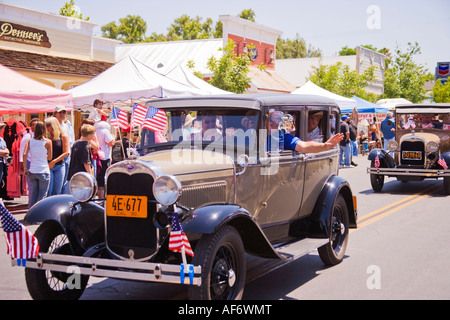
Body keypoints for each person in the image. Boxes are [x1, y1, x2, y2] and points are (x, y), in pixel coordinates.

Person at [267, 110, 343, 153]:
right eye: (271, 119)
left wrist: (325, 146)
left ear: (318, 119)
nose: (275, 122)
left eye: (278, 119)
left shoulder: (283, 136)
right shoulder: (256, 134)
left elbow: (303, 146)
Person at [22, 121, 52, 208]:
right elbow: (50, 157)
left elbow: (24, 154)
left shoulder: (30, 141)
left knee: (33, 194)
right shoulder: (48, 142)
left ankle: (31, 216)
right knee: (42, 195)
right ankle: (39, 215)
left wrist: (25, 168)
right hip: (43, 171)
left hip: (32, 170)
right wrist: (42, 155)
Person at [45, 117, 69, 196]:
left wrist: (54, 161)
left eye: (48, 125)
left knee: (57, 190)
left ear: (53, 125)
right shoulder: (46, 137)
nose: (46, 127)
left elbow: (66, 153)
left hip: (59, 165)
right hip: (48, 166)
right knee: (49, 190)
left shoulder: (63, 137)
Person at [54, 105, 75, 194]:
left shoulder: (66, 125)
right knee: (57, 183)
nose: (62, 114)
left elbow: (70, 140)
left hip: (66, 156)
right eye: (60, 112)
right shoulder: (53, 125)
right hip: (57, 156)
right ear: (55, 114)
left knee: (65, 181)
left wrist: (69, 152)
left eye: (64, 112)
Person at [95, 116, 114, 198]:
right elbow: (111, 143)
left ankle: (99, 197)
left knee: (98, 177)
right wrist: (113, 137)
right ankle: (102, 198)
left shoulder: (95, 129)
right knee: (104, 178)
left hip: (97, 155)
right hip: (104, 156)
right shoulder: (105, 130)